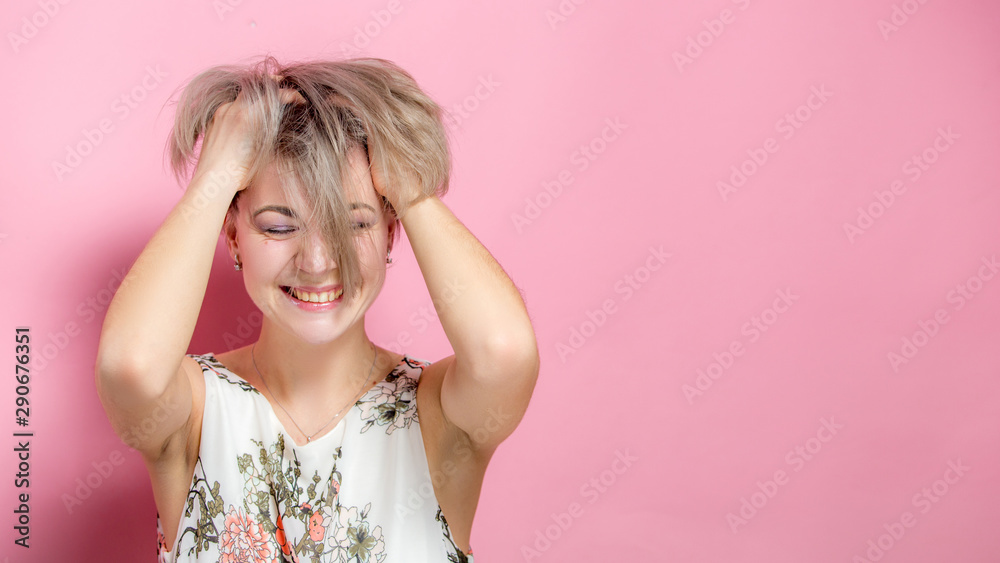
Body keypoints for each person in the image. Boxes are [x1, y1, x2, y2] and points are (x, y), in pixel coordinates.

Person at [94, 55, 539, 562]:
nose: (319, 261)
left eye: (354, 225)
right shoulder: (192, 414)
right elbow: (130, 365)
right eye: (279, 227)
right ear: (234, 235)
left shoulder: (437, 418)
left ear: (393, 231)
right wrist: (216, 175)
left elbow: (504, 353)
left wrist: (410, 190)